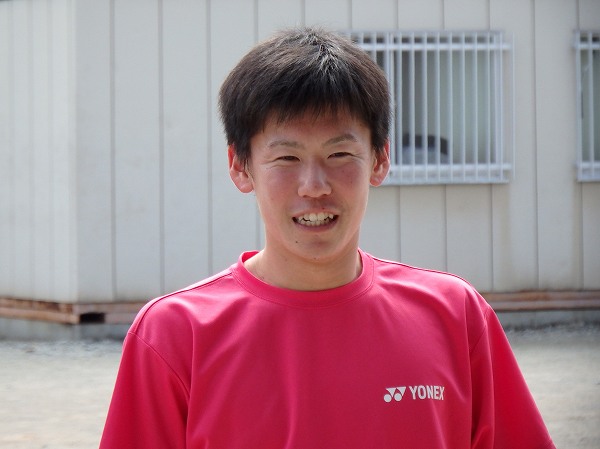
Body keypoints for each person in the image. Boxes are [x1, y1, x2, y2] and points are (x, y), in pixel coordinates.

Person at [100, 27, 555, 449]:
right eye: (287, 158)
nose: (314, 186)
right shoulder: (174, 335)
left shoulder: (455, 315)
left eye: (339, 153)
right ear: (240, 166)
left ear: (380, 159)